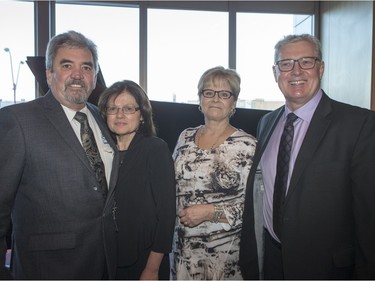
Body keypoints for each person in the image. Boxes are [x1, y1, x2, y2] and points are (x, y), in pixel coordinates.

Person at [240, 34, 375, 280]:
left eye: (306, 62)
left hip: (327, 269)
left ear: (321, 68)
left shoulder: (359, 125)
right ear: (275, 72)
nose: (296, 71)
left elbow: (369, 217)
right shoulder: (266, 123)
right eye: (287, 63)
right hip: (271, 262)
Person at [0, 30, 119, 279]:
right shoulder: (18, 121)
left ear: (95, 76)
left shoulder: (103, 118)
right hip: (48, 268)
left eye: (86, 67)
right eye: (67, 65)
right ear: (49, 73)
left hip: (105, 262)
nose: (78, 75)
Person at [171, 66, 257, 280]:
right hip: (182, 251)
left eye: (224, 94)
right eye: (209, 92)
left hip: (224, 258)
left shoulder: (247, 146)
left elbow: (255, 209)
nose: (216, 99)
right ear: (200, 99)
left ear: (234, 102)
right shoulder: (185, 137)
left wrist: (211, 211)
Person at [98, 80, 176, 280]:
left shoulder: (155, 149)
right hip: (107, 258)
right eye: (113, 108)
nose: (120, 114)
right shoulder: (102, 152)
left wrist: (152, 269)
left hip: (144, 261)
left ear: (141, 115)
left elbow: (166, 215)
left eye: (128, 108)